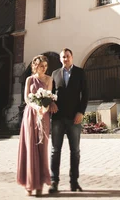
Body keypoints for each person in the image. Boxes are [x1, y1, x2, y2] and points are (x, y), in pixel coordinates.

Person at [49, 48, 88, 194]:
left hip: (74, 118)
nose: (66, 59)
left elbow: (85, 95)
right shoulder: (55, 74)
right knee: (55, 151)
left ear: (72, 57)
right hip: (58, 118)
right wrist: (51, 103)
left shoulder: (80, 73)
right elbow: (50, 94)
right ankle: (54, 181)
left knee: (75, 151)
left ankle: (74, 182)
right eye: (63, 57)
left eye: (68, 56)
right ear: (60, 59)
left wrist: (81, 112)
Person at [17, 55, 52, 197]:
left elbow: (48, 97)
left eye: (45, 66)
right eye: (41, 66)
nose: (43, 68)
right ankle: (29, 184)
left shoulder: (49, 79)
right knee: (30, 147)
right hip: (30, 114)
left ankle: (40, 184)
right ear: (35, 66)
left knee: (42, 148)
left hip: (43, 115)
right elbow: (26, 97)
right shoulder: (29, 79)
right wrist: (34, 106)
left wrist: (43, 109)